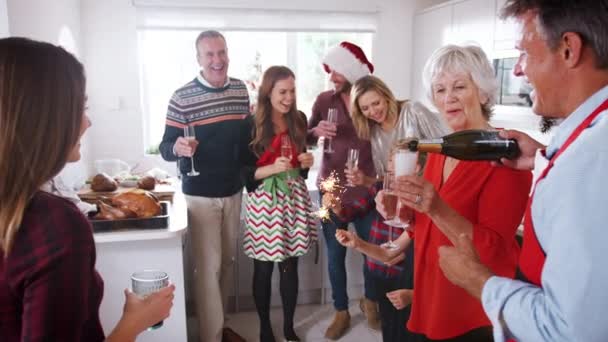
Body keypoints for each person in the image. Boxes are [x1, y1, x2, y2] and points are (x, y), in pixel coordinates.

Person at [437, 1, 608, 341]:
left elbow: (568, 330)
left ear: (569, 49)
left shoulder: (591, 159)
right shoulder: (585, 145)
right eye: (440, 90)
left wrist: (477, 281)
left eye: (524, 54)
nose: (516, 71)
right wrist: (544, 157)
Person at [342, 44, 532, 341]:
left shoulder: (505, 155)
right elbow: (422, 225)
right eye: (440, 90)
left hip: (471, 310)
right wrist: (399, 211)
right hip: (430, 291)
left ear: (483, 92)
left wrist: (435, 208)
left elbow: (493, 249)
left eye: (459, 87)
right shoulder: (442, 148)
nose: (448, 98)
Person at [0, 37, 175, 342]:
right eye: (80, 107)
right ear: (42, 118)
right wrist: (136, 322)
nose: (87, 121)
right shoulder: (55, 226)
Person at [331, 75, 448, 342]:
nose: (374, 111)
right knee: (394, 264)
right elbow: (387, 180)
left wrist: (424, 191)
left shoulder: (413, 111)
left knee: (412, 273)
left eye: (376, 103)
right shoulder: (374, 133)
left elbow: (443, 151)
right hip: (404, 204)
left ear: (386, 94)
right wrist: (365, 181)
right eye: (366, 108)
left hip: (427, 198)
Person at [158, 30, 250, 342]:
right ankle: (211, 337)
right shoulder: (181, 97)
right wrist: (179, 148)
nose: (217, 60)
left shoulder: (240, 91)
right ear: (199, 59)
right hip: (199, 195)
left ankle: (218, 327)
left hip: (233, 191)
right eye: (209, 55)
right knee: (208, 269)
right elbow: (165, 146)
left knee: (226, 263)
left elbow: (247, 141)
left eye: (221, 52)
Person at [307, 41, 379, 339]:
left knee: (373, 254)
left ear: (352, 70)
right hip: (330, 190)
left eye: (336, 69)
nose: (331, 75)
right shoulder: (325, 99)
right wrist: (316, 131)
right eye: (329, 70)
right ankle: (341, 311)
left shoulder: (371, 100)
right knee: (334, 255)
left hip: (366, 191)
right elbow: (306, 137)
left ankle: (370, 302)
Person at [241, 66, 317, 342]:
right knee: (263, 268)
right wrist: (272, 168)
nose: (288, 97)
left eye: (292, 91)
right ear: (268, 92)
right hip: (265, 203)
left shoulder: (299, 119)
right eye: (282, 92)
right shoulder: (251, 124)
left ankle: (287, 325)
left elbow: (301, 163)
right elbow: (244, 173)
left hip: (294, 198)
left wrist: (306, 163)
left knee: (290, 266)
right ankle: (264, 327)